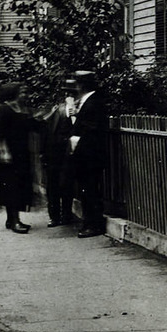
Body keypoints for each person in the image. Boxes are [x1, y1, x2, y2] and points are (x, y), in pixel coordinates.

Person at [69, 70, 109, 238]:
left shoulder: (94, 102)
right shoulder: (88, 101)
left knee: (90, 190)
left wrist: (76, 140)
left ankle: (93, 224)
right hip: (86, 155)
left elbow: (92, 129)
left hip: (90, 155)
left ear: (81, 85)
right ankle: (90, 222)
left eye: (76, 83)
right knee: (87, 190)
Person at [0, 82, 35, 233]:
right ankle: (15, 221)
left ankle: (11, 220)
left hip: (21, 153)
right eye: (23, 93)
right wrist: (4, 152)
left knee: (20, 185)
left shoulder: (22, 109)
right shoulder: (5, 109)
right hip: (8, 155)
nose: (26, 95)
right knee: (12, 187)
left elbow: (32, 126)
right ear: (14, 93)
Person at [37, 79, 77, 227]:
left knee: (67, 186)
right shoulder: (55, 111)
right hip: (54, 153)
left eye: (73, 93)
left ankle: (67, 215)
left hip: (69, 154)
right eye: (69, 93)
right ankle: (54, 216)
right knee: (53, 186)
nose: (71, 96)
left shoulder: (79, 110)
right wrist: (43, 152)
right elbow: (45, 133)